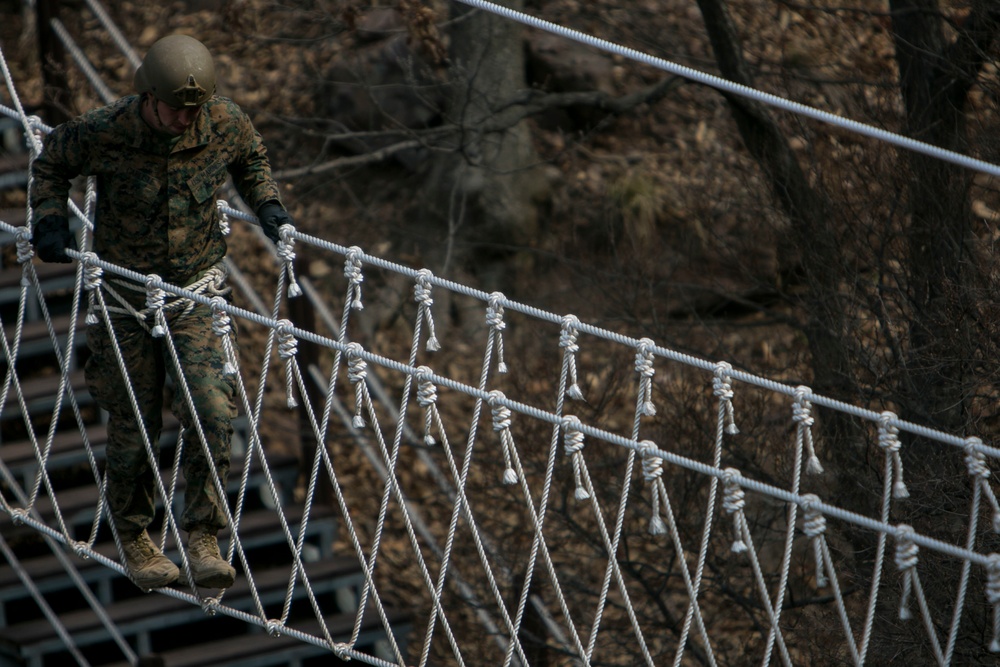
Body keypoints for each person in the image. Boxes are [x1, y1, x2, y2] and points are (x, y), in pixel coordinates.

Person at [30, 34, 293, 590]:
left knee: (212, 409)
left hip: (192, 295)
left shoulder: (221, 122)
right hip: (124, 298)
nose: (184, 119)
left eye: (193, 108)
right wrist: (50, 217)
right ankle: (136, 537)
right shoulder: (106, 130)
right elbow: (52, 163)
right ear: (147, 96)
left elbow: (250, 159)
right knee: (135, 423)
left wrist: (266, 204)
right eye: (174, 107)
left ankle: (202, 535)